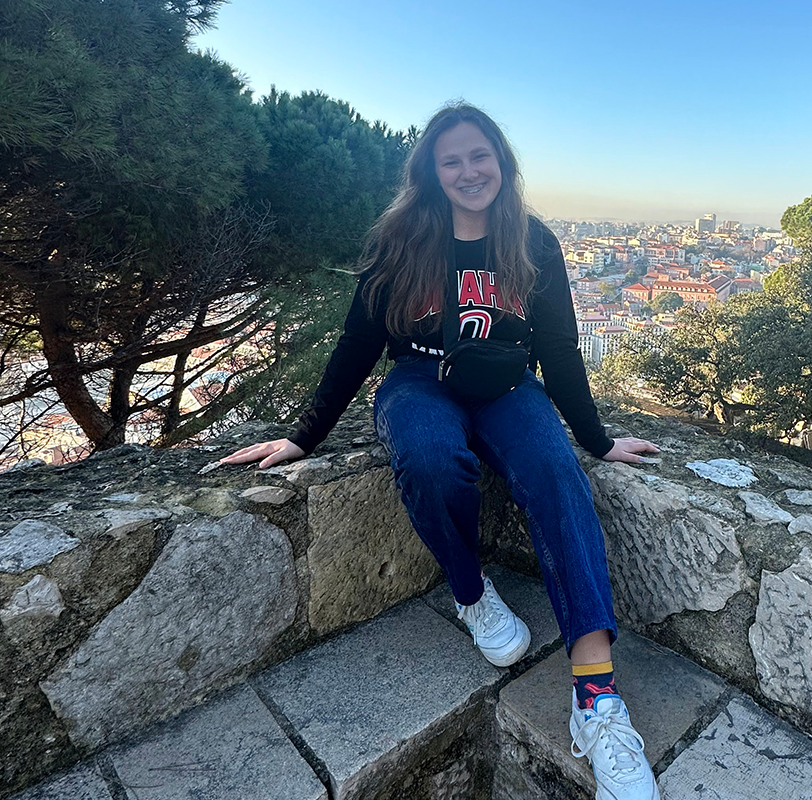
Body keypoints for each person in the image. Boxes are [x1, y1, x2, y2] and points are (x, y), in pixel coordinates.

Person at [222, 102, 661, 800]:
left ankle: (597, 699)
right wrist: (303, 434)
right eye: (450, 159)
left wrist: (597, 440)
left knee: (556, 472)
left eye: (478, 156)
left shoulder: (534, 241)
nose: (467, 171)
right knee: (428, 460)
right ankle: (471, 591)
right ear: (430, 170)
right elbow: (357, 343)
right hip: (418, 382)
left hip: (509, 385)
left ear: (502, 162)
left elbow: (558, 351)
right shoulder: (401, 239)